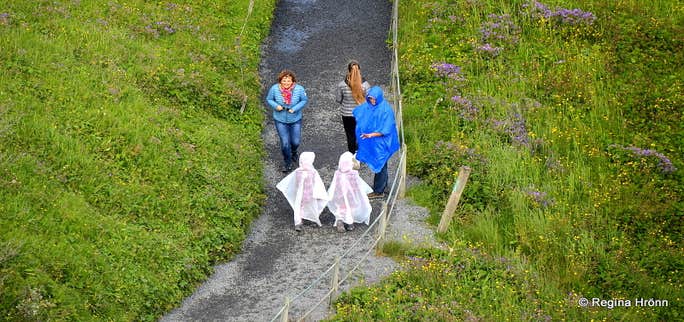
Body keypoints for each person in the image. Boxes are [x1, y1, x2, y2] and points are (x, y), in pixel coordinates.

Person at [353, 86, 400, 199]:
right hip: (374, 141)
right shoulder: (370, 106)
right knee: (381, 164)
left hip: (383, 143)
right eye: (370, 99)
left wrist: (370, 135)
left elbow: (386, 129)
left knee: (380, 163)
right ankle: (382, 186)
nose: (372, 101)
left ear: (379, 98)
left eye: (374, 99)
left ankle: (379, 191)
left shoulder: (386, 110)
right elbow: (361, 111)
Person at [266, 69, 308, 173]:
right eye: (284, 80)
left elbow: (304, 100)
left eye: (288, 80)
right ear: (280, 81)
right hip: (280, 120)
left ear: (293, 81)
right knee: (285, 143)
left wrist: (295, 108)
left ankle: (294, 152)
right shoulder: (274, 89)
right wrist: (276, 106)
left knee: (295, 142)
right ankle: (287, 162)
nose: (286, 83)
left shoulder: (299, 89)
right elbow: (269, 99)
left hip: (295, 119)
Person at [276, 152, 328, 232]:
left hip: (300, 194)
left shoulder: (298, 171)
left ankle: (298, 222)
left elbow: (294, 183)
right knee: (312, 205)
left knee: (299, 207)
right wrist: (319, 193)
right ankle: (313, 218)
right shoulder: (313, 172)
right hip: (310, 193)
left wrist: (296, 190)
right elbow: (318, 183)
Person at [327, 152, 373, 232]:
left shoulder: (337, 173)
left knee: (340, 208)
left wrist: (332, 194)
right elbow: (358, 184)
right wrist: (362, 192)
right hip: (351, 195)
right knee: (351, 207)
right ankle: (350, 223)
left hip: (340, 195)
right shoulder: (353, 173)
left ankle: (340, 221)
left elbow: (334, 184)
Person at [336, 60, 370, 154]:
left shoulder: (342, 85)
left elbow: (338, 99)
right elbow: (369, 100)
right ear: (359, 70)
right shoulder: (365, 85)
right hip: (361, 114)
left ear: (348, 71)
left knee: (350, 135)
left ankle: (352, 155)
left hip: (346, 114)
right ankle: (361, 153)